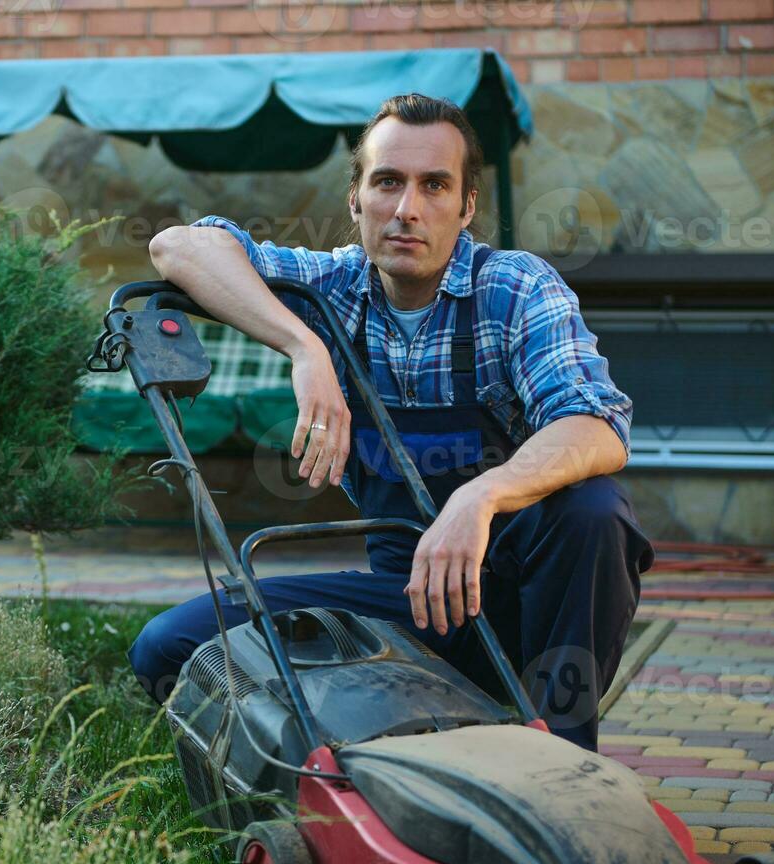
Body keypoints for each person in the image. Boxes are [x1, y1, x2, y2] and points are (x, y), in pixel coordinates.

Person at [128, 93, 654, 752]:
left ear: (466, 208)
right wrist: (304, 347)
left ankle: (559, 759)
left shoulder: (516, 288)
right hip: (402, 602)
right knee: (167, 646)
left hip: (523, 610)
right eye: (386, 182)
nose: (406, 208)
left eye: (433, 185)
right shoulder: (328, 291)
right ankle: (309, 788)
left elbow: (595, 426)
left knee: (593, 511)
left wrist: (479, 496)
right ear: (355, 199)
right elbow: (180, 246)